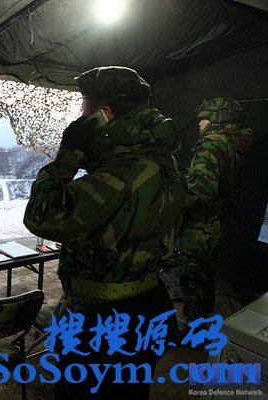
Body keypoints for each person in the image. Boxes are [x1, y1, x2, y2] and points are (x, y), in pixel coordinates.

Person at [23, 66, 186, 400]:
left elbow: (41, 215)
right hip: (147, 305)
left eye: (85, 107)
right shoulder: (162, 160)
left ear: (104, 114)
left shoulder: (120, 173)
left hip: (102, 321)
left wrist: (68, 155)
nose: (81, 115)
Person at [178, 97, 255, 323]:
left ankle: (193, 327)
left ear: (217, 119)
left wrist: (174, 203)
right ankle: (201, 320)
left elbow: (200, 192)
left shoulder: (212, 145)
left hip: (201, 226)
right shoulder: (234, 144)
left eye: (204, 118)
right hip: (219, 222)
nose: (199, 122)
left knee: (193, 279)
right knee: (204, 276)